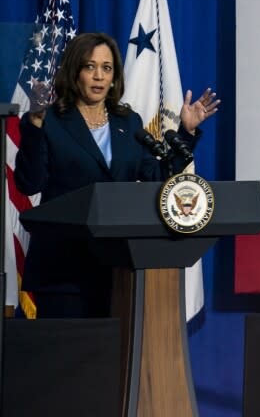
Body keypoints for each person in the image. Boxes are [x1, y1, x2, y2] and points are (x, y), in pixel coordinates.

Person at [13, 32, 220, 318]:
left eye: (106, 68)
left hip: (118, 269)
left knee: (111, 360)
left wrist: (186, 133)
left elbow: (157, 176)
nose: (99, 76)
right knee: (69, 360)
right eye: (90, 67)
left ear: (114, 77)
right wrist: (35, 124)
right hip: (63, 270)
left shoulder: (128, 121)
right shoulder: (50, 120)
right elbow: (29, 182)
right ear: (75, 73)